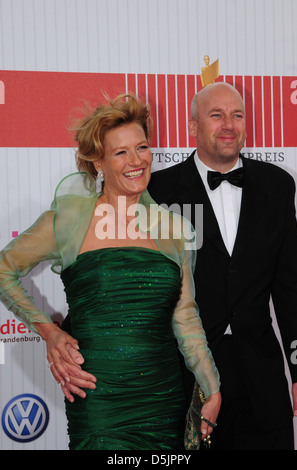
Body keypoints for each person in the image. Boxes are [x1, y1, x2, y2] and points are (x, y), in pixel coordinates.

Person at [0, 93, 221, 450]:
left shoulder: (175, 230)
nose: (136, 161)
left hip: (163, 400)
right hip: (99, 401)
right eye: (121, 152)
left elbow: (185, 319)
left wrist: (212, 387)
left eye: (143, 147)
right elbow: (3, 269)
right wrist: (49, 333)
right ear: (98, 163)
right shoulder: (68, 221)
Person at [148, 82, 297, 449]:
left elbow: (291, 286)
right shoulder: (160, 191)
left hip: (262, 379)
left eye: (237, 115)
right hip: (187, 377)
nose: (228, 124)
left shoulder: (277, 185)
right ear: (192, 125)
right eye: (216, 115)